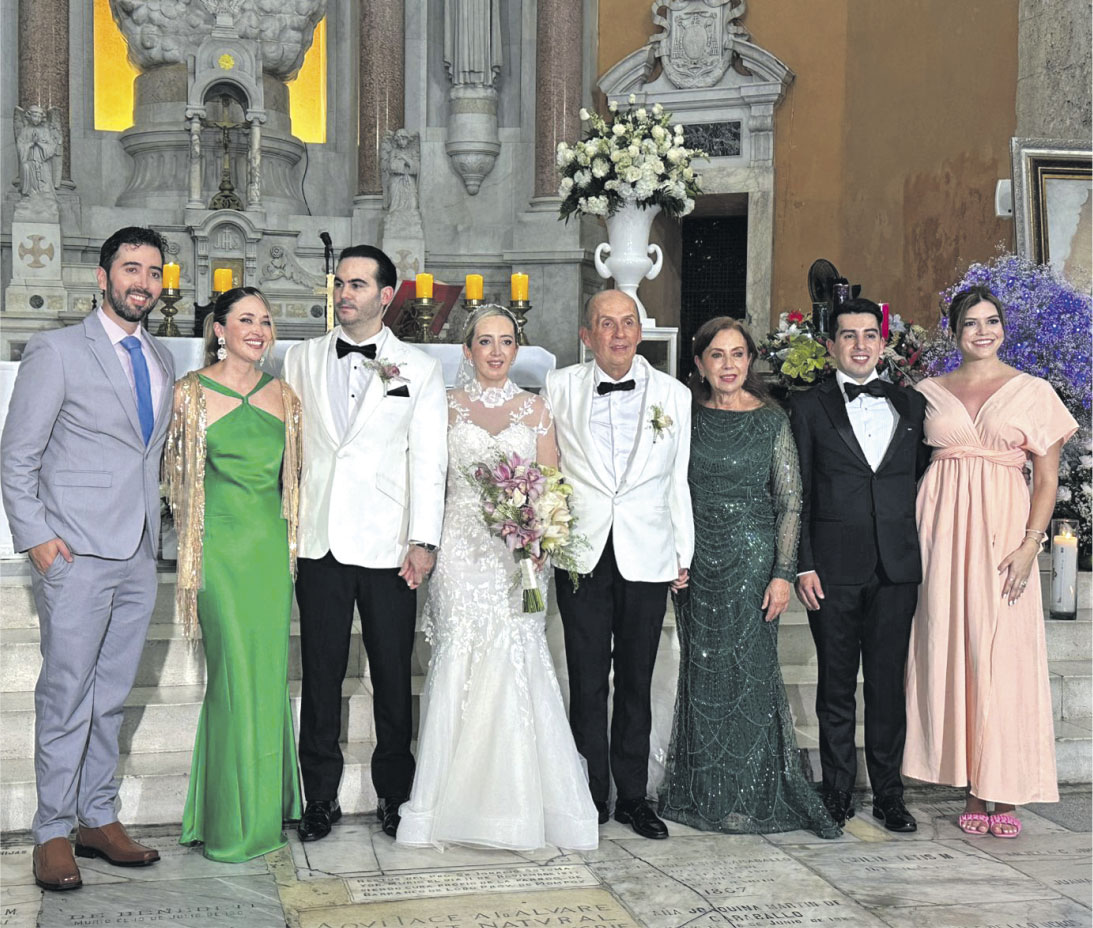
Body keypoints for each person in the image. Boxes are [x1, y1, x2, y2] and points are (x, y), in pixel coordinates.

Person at [1, 227, 175, 890]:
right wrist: (39, 539)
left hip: (137, 553)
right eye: (130, 269)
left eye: (153, 272)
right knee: (67, 691)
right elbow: (18, 455)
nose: (142, 282)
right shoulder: (57, 351)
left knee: (110, 694)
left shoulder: (161, 357)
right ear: (103, 277)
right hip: (73, 552)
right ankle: (51, 830)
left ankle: (97, 817)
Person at [397, 306, 599, 850]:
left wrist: (538, 530)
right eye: (483, 342)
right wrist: (424, 544)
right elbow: (429, 479)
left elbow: (551, 484)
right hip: (460, 551)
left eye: (505, 342)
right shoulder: (443, 408)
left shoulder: (537, 410)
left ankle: (517, 804)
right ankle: (445, 801)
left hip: (520, 558)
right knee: (461, 655)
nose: (494, 351)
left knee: (516, 656)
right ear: (466, 351)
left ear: (516, 349)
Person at [283, 244, 447, 841]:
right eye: (340, 284)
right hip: (319, 540)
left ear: (385, 296)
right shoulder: (299, 359)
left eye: (357, 285)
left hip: (388, 546)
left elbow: (430, 461)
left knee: (392, 676)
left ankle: (395, 796)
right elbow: (291, 450)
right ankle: (319, 798)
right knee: (321, 676)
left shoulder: (420, 369)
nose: (344, 294)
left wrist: (423, 539)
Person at [903, 286, 1077, 838]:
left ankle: (1002, 792)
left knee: (1004, 656)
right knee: (952, 648)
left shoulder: (1033, 391)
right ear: (954, 331)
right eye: (972, 322)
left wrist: (1032, 544)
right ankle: (969, 780)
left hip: (1006, 533)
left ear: (1004, 328)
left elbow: (1047, 479)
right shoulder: (926, 392)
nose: (984, 330)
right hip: (940, 534)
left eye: (992, 320)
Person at [657, 318, 840, 839]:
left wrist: (783, 574)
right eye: (717, 355)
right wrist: (675, 552)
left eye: (738, 354)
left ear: (751, 360)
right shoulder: (683, 418)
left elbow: (789, 502)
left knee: (751, 676)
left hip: (753, 561)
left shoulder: (772, 421)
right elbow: (667, 489)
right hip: (696, 563)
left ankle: (755, 791)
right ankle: (705, 792)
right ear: (699, 364)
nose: (729, 365)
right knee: (702, 672)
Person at [545, 289, 693, 840]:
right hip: (580, 549)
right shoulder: (558, 387)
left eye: (627, 322)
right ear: (587, 335)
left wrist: (684, 552)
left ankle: (633, 796)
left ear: (640, 330)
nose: (618, 333)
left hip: (647, 551)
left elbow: (677, 478)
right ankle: (590, 792)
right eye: (606, 324)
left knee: (636, 677)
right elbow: (548, 468)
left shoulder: (674, 395)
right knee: (586, 678)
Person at [164, 287, 304, 861]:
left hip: (270, 554)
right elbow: (176, 484)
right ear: (218, 329)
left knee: (267, 677)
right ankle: (229, 819)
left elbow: (292, 485)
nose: (258, 329)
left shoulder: (285, 397)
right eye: (246, 319)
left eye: (266, 321)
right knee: (232, 676)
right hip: (218, 552)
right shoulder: (190, 394)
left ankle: (264, 809)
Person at [789, 297, 927, 833]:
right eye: (849, 335)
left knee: (888, 686)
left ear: (884, 343)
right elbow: (796, 488)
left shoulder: (911, 406)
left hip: (896, 568)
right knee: (837, 686)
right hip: (833, 569)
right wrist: (803, 565)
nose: (861, 345)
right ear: (830, 345)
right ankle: (838, 791)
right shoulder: (806, 406)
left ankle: (890, 796)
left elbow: (919, 478)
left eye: (870, 335)